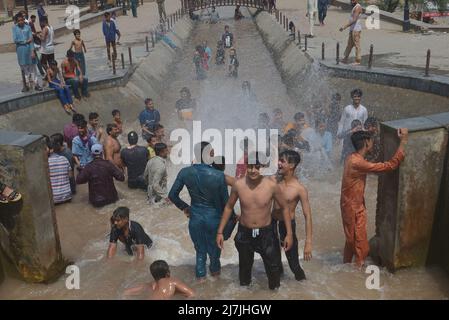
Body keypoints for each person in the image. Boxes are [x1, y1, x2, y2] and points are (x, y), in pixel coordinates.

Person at [216, 152, 293, 290]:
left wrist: (289, 234)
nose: (253, 171)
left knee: (273, 271)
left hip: (267, 233)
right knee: (244, 272)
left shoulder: (271, 185)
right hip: (245, 233)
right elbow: (228, 207)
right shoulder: (239, 185)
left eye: (257, 167)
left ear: (262, 167)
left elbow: (285, 208)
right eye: (250, 167)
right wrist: (220, 232)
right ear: (246, 166)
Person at [341, 129, 408, 267]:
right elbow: (390, 166)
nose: (374, 143)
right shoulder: (357, 163)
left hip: (350, 204)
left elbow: (370, 165)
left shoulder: (352, 157)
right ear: (366, 142)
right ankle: (356, 277)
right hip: (353, 207)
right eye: (372, 141)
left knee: (351, 241)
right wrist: (404, 141)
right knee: (361, 248)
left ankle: (345, 268)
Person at [168, 142, 230, 281]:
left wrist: (185, 207)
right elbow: (226, 204)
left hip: (195, 218)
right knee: (214, 256)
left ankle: (200, 287)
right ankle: (216, 288)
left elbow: (172, 195)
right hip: (214, 220)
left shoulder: (185, 172)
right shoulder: (219, 175)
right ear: (211, 153)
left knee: (200, 254)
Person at [272, 150, 312, 281]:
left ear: (292, 165)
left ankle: (304, 290)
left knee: (294, 264)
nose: (278, 163)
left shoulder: (299, 189)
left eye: (282, 161)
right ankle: (279, 291)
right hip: (271, 223)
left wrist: (308, 243)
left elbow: (308, 216)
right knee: (274, 261)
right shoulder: (274, 181)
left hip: (287, 227)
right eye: (279, 160)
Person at [124, 260, 195, 299]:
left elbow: (125, 292)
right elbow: (192, 294)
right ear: (168, 273)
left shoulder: (147, 286)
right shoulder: (172, 281)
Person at [12, 14, 41, 93]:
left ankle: (36, 84)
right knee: (25, 69)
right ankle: (27, 85)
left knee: (33, 68)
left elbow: (31, 40)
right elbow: (15, 40)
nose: (21, 22)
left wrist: (32, 51)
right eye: (19, 21)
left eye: (22, 20)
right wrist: (25, 41)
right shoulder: (14, 28)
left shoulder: (27, 27)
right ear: (16, 21)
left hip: (29, 50)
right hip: (21, 51)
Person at [339, 0, 373, 65]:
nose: (351, 1)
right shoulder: (355, 7)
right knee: (349, 45)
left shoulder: (357, 7)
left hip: (356, 30)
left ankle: (358, 61)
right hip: (352, 29)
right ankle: (345, 59)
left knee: (357, 45)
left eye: (353, 0)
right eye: (351, 0)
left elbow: (354, 20)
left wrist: (344, 27)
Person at [337, 89, 368, 158]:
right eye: (355, 96)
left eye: (358, 96)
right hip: (348, 135)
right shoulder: (347, 109)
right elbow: (341, 122)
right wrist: (339, 133)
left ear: (360, 97)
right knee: (345, 154)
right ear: (352, 98)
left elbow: (365, 124)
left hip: (358, 136)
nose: (357, 98)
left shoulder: (364, 110)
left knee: (356, 154)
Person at [47, 136, 72, 204]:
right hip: (67, 196)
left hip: (54, 198)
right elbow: (70, 176)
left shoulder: (46, 163)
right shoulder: (64, 158)